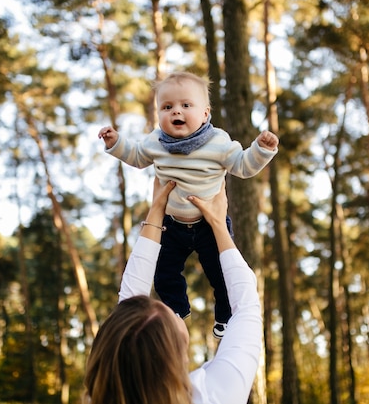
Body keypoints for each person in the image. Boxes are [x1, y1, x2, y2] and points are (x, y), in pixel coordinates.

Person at [98, 71, 278, 338]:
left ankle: (225, 318)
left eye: (185, 105)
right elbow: (136, 156)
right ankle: (176, 312)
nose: (175, 112)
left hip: (209, 225)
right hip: (171, 225)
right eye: (167, 107)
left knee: (222, 273)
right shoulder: (156, 141)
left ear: (205, 114)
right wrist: (116, 143)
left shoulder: (218, 141)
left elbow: (242, 166)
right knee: (164, 274)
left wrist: (261, 150)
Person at [84, 179, 262, 404]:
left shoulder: (219, 395)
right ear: (175, 354)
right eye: (168, 312)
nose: (172, 310)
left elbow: (126, 325)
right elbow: (247, 305)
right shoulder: (216, 395)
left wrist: (157, 210)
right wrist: (218, 224)